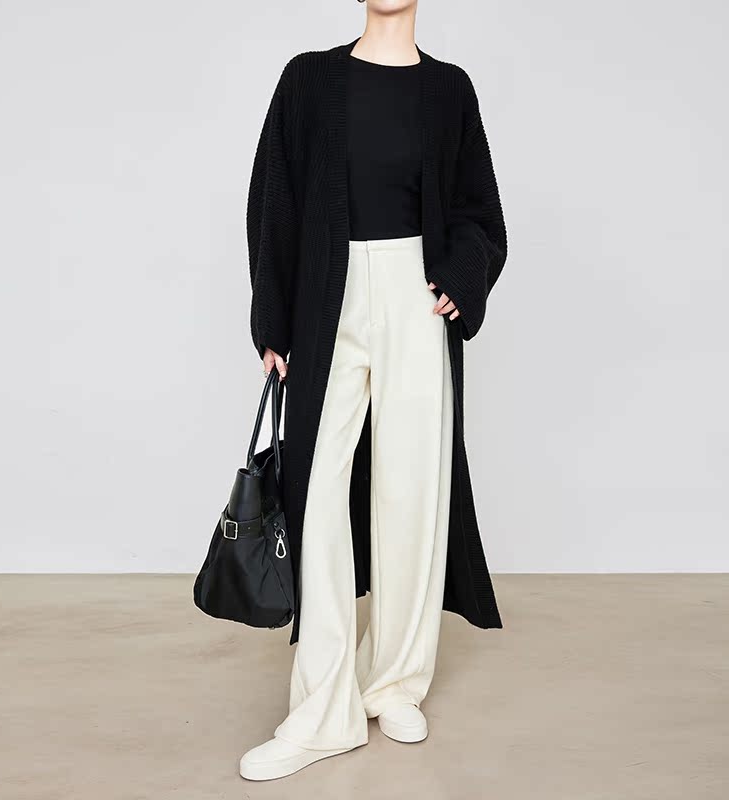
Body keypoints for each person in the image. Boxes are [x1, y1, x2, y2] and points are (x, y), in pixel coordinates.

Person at [241, 0, 508, 781]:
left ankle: (393, 681)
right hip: (326, 295)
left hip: (414, 297)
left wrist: (460, 276)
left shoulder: (449, 90)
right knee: (316, 496)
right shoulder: (308, 80)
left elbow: (478, 210)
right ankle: (322, 709)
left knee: (411, 491)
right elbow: (274, 199)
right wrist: (272, 319)